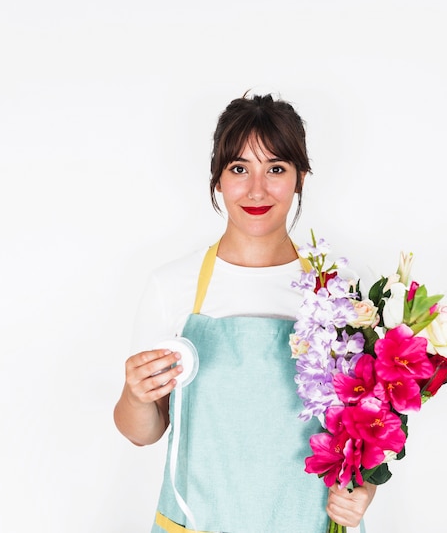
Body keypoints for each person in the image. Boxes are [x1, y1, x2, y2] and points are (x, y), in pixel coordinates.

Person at [114, 93, 376, 532]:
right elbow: (143, 431)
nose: (257, 190)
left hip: (309, 521)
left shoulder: (343, 287)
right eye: (239, 169)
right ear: (218, 179)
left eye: (276, 169)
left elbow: (370, 422)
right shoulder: (171, 286)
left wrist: (363, 488)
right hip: (197, 521)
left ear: (301, 179)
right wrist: (136, 394)